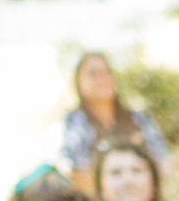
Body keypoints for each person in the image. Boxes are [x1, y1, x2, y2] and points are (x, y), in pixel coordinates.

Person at [59, 52, 167, 182]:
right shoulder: (74, 122)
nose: (102, 79)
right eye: (93, 73)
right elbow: (75, 170)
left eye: (106, 72)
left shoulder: (140, 118)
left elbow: (164, 160)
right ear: (79, 82)